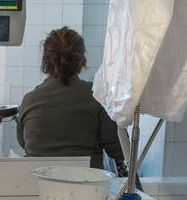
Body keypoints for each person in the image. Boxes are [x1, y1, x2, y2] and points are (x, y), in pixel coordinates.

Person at [16, 27, 126, 171]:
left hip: (39, 186)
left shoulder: (29, 100)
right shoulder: (96, 97)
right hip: (86, 186)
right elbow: (118, 150)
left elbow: (24, 143)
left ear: (46, 61)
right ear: (81, 60)